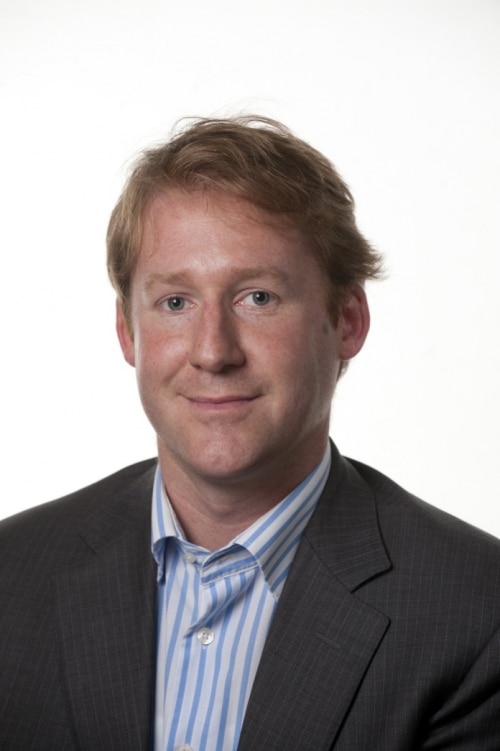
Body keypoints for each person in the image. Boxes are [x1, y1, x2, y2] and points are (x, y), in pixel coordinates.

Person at [1, 116, 499, 751]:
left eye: (257, 298)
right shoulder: (10, 576)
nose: (213, 352)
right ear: (128, 333)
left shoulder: (477, 613)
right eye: (176, 302)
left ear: (347, 321)